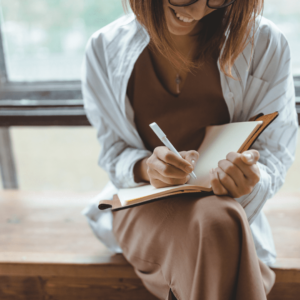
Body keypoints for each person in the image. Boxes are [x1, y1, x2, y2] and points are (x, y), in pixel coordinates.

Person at [81, 0, 298, 299]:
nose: (196, 12)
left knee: (217, 219)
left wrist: (250, 177)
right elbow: (113, 150)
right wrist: (147, 168)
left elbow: (274, 149)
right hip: (142, 205)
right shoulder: (104, 48)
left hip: (228, 208)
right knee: (220, 225)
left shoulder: (265, 44)